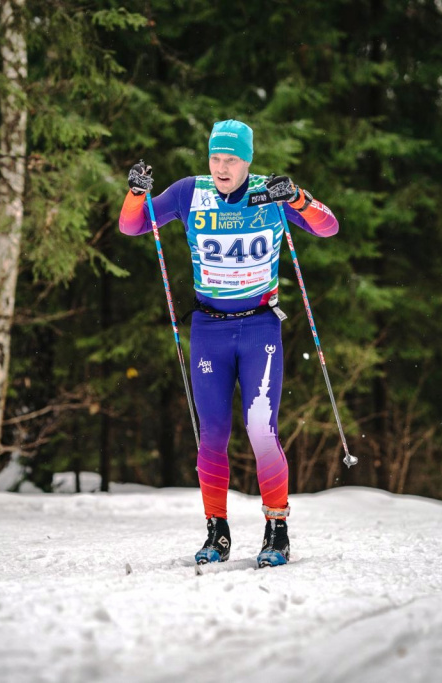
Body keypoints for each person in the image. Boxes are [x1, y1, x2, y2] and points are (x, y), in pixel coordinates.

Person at [118, 119, 339, 567]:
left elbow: (328, 227)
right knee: (212, 434)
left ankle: (277, 530)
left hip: (260, 328)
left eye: (231, 159)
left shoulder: (268, 193)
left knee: (261, 428)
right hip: (210, 329)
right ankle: (216, 533)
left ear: (248, 160)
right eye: (215, 157)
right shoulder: (189, 192)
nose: (221, 167)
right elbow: (133, 226)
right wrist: (137, 192)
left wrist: (298, 197)